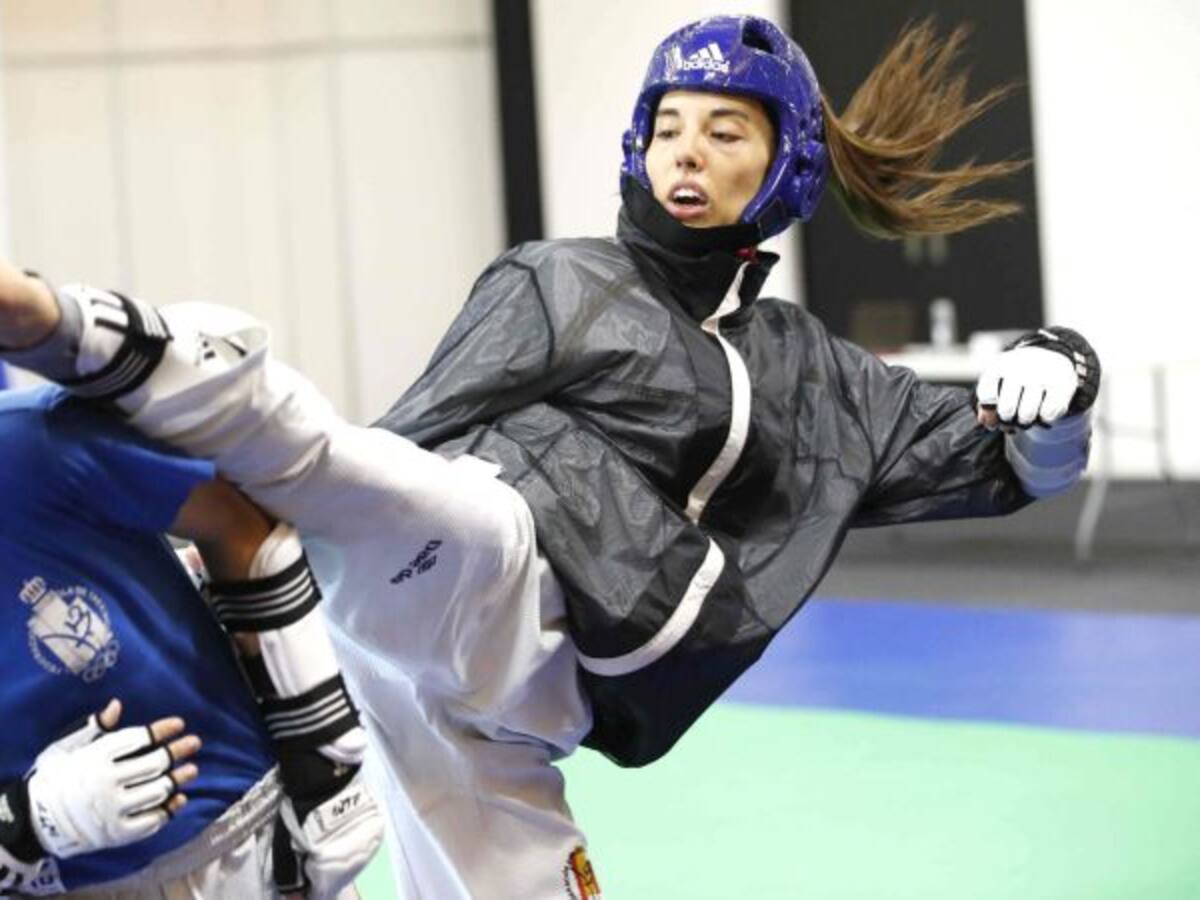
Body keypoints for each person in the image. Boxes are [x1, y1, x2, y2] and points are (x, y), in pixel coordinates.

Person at [0, 15, 1099, 900]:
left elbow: (1009, 468)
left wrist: (1062, 386)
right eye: (669, 127)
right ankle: (54, 321)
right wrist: (247, 574)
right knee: (348, 467)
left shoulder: (818, 377)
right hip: (475, 574)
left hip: (522, 703)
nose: (687, 151)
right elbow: (406, 440)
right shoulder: (563, 282)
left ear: (787, 164)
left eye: (726, 132)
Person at [0, 383, 383, 897]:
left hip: (248, 828)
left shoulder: (28, 442)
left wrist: (322, 758)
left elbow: (235, 525)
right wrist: (20, 823)